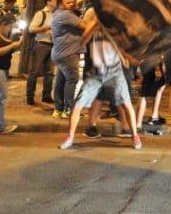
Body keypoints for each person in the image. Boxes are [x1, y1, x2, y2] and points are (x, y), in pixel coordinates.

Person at [59, 10, 142, 150]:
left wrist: (127, 59)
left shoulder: (117, 30)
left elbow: (123, 46)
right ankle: (70, 137)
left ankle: (135, 136)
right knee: (77, 105)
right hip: (96, 74)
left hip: (115, 73)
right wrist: (96, 24)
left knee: (126, 103)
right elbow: (83, 41)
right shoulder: (94, 29)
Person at [50, 0, 84, 118]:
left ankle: (58, 109)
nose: (71, 4)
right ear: (60, 5)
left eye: (72, 2)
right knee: (72, 80)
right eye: (68, 2)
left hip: (60, 53)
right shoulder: (67, 15)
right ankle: (68, 109)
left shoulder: (59, 14)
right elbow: (85, 26)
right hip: (68, 54)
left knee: (61, 80)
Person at [25, 0, 55, 106]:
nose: (57, 2)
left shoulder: (56, 14)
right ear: (48, 2)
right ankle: (30, 97)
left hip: (53, 45)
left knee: (49, 73)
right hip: (41, 44)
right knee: (34, 72)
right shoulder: (41, 14)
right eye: (55, 0)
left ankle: (46, 95)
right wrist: (46, 28)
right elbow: (31, 29)